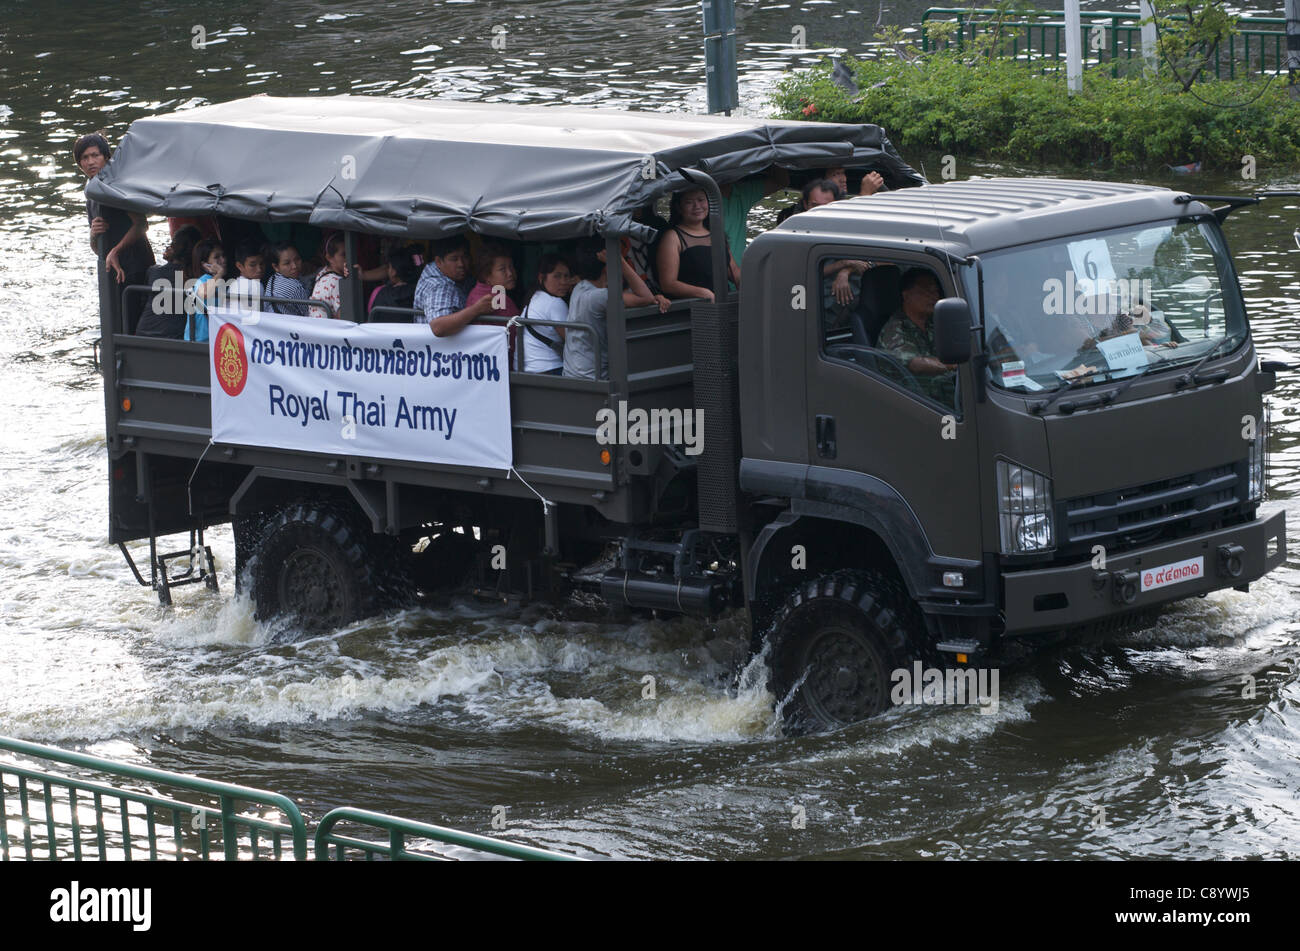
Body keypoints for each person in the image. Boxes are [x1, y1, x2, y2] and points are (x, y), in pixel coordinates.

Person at [76, 132, 155, 333]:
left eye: (95, 155)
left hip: (135, 263)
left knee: (136, 321)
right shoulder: (91, 193)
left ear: (106, 157)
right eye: (85, 158)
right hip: (113, 267)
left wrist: (116, 250)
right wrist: (94, 235)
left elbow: (141, 224)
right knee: (117, 323)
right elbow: (97, 248)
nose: (91, 162)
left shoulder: (117, 185)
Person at [877, 268, 956, 403]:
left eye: (935, 291)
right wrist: (954, 365)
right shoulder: (894, 329)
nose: (934, 296)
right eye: (926, 291)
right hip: (913, 402)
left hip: (944, 397)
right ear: (906, 295)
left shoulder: (935, 322)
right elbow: (915, 364)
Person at [656, 188, 741, 302]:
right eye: (689, 202)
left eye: (701, 200)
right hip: (692, 309)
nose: (697, 206)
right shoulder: (672, 237)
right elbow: (668, 284)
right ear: (678, 207)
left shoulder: (716, 234)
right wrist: (702, 293)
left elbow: (734, 272)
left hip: (723, 304)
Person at [413, 235, 495, 336]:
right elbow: (438, 327)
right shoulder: (439, 286)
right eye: (454, 259)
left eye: (465, 257)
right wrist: (476, 309)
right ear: (439, 261)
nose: (461, 264)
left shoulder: (450, 275)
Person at [136, 225, 202, 339]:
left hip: (143, 334)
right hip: (174, 338)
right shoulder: (197, 279)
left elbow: (143, 302)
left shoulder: (153, 272)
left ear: (174, 247)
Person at [520, 253, 573, 375]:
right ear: (541, 278)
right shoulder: (555, 303)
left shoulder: (535, 296)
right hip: (548, 369)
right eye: (557, 276)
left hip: (526, 370)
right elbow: (574, 342)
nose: (564, 282)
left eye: (567, 276)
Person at [720, 167, 788, 263]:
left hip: (740, 272)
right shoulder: (702, 202)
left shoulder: (743, 191)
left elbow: (781, 182)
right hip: (718, 274)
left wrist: (774, 155)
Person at [182, 239, 227, 343]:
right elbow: (204, 293)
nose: (223, 260)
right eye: (217, 257)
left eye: (223, 256)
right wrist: (219, 273)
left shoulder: (218, 281)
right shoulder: (203, 280)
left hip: (209, 339)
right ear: (205, 265)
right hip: (199, 340)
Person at [367, 244, 422, 319]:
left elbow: (372, 320)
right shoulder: (420, 292)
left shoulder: (382, 293)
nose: (388, 270)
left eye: (389, 267)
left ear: (393, 272)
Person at [308, 233, 348, 319]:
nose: (348, 258)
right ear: (329, 258)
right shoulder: (337, 282)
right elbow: (344, 317)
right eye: (344, 255)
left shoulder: (323, 272)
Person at [264, 242, 310, 315]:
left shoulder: (272, 279)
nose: (294, 266)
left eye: (297, 259)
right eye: (287, 263)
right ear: (276, 267)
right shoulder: (296, 287)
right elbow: (308, 314)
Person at [775, 178, 841, 225]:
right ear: (805, 204)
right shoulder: (788, 225)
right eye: (815, 206)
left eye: (825, 207)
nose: (820, 212)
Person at [229, 241, 265, 313]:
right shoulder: (256, 285)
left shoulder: (232, 285)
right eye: (252, 265)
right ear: (239, 266)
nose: (259, 269)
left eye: (262, 263)